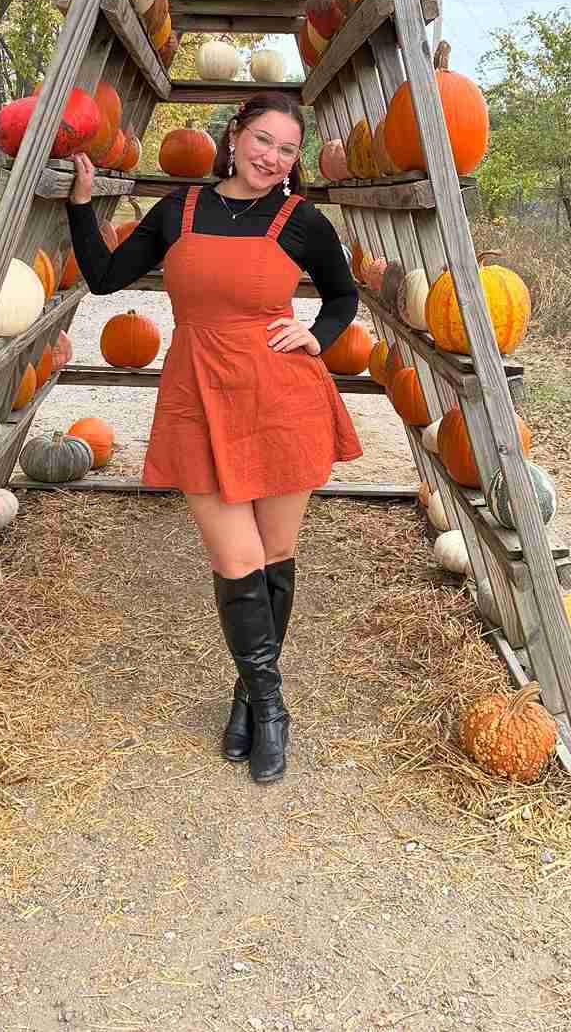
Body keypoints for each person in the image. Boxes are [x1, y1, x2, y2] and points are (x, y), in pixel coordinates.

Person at [66, 91, 362, 783]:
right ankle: (272, 703)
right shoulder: (180, 209)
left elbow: (343, 294)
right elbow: (106, 279)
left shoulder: (301, 219)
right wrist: (83, 209)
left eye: (288, 149)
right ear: (234, 136)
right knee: (237, 558)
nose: (272, 157)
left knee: (275, 553)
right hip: (197, 392)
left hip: (281, 399)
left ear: (296, 160)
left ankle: (251, 703)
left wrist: (314, 337)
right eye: (263, 140)